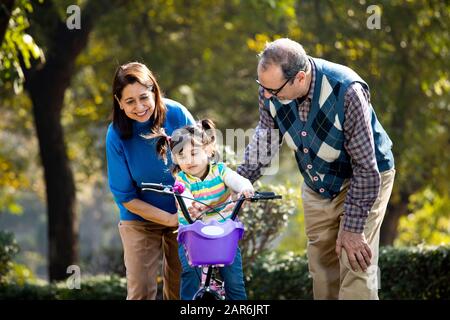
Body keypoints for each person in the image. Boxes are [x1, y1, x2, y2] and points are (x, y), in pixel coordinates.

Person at [237, 38, 395, 300]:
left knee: (354, 259)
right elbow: (265, 138)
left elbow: (366, 168)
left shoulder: (347, 91)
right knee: (321, 266)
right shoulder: (271, 87)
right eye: (262, 87)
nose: (266, 95)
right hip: (317, 180)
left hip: (364, 178)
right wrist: (240, 181)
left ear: (300, 77)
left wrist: (353, 228)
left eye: (273, 91)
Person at [106, 62, 195, 299]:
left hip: (183, 214)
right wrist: (168, 219)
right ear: (119, 102)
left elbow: (200, 165)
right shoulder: (115, 134)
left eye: (144, 97)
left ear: (154, 91)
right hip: (139, 218)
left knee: (182, 288)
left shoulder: (177, 114)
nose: (139, 107)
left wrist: (184, 217)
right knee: (141, 290)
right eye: (130, 101)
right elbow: (125, 196)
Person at [150, 119, 254, 300]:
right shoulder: (182, 180)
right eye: (181, 156)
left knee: (234, 281)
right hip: (193, 236)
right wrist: (190, 206)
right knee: (190, 275)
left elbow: (236, 179)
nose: (189, 160)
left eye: (194, 153)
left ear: (208, 150)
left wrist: (245, 188)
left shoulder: (220, 171)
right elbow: (184, 194)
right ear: (175, 159)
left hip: (224, 235)